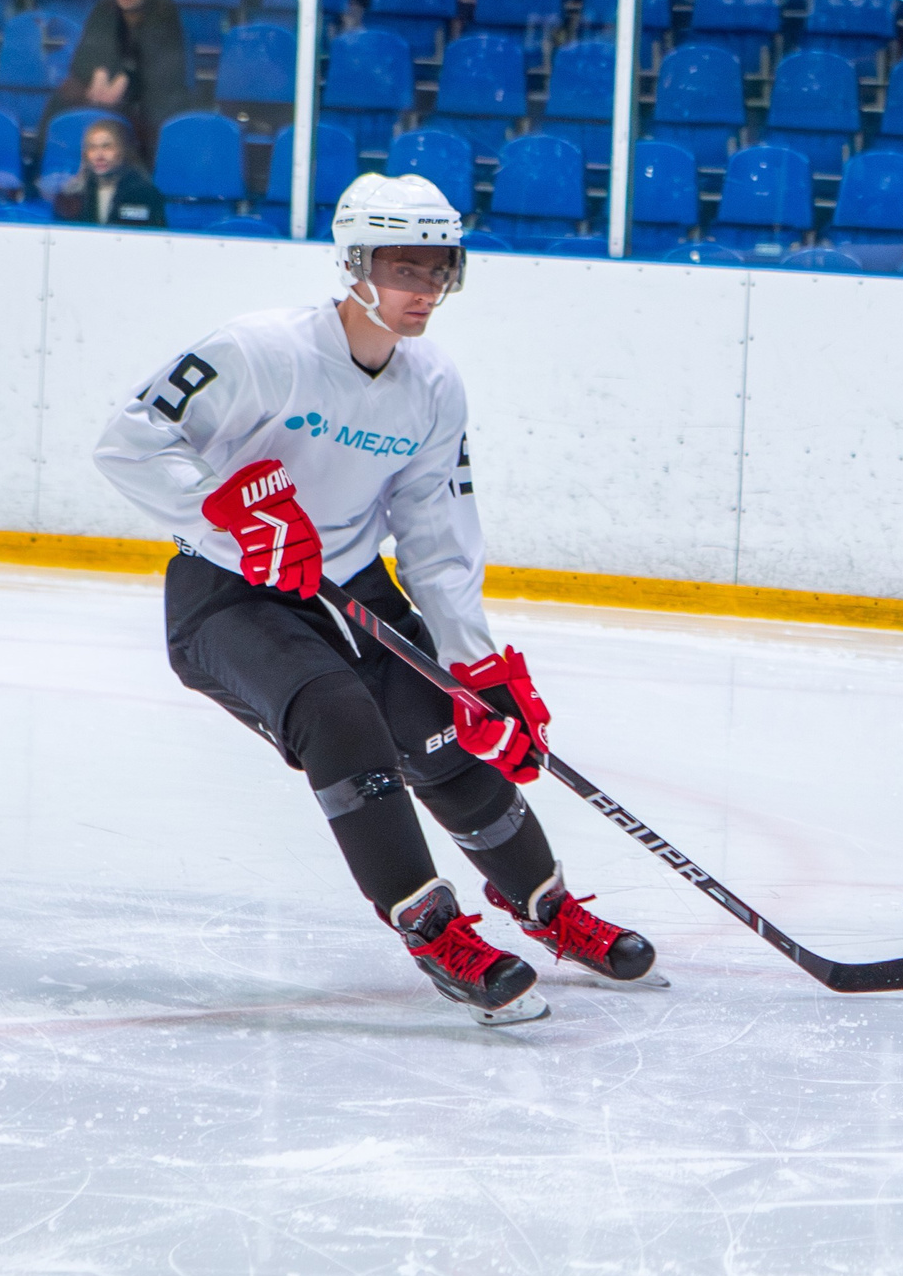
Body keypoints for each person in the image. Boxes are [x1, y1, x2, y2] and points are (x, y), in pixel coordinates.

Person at [93, 173, 659, 1026]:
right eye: (405, 266)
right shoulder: (260, 350)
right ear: (354, 263)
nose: (425, 289)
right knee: (341, 715)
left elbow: (438, 533)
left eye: (440, 269)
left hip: (352, 588)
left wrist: (477, 667)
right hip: (230, 594)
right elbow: (127, 442)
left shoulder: (432, 384)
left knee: (446, 735)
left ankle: (548, 907)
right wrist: (223, 511)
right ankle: (433, 931)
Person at [43, 0, 192, 163]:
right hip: (101, 94)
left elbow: (165, 73)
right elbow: (86, 55)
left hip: (146, 99)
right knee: (61, 99)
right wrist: (97, 73)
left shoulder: (164, 18)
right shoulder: (104, 10)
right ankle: (48, 168)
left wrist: (127, 80)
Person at [51, 117, 165, 227]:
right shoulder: (74, 195)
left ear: (123, 150)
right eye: (92, 148)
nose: (99, 155)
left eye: (107, 147)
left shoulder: (144, 193)